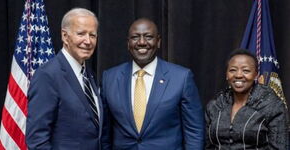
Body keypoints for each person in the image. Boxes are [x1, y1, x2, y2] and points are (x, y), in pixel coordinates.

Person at [101, 18, 205, 149]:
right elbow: (105, 133)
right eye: (135, 37)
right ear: (128, 43)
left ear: (158, 41)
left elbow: (194, 131)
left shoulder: (181, 78)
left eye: (148, 37)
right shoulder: (109, 78)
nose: (142, 42)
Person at [26, 8, 103, 150]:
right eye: (81, 34)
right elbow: (37, 140)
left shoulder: (89, 74)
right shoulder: (47, 75)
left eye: (92, 35)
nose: (88, 41)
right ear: (65, 36)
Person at [205, 49, 289, 149]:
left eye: (246, 70)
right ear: (227, 75)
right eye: (233, 70)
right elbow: (208, 145)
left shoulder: (272, 106)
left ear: (256, 75)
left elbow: (279, 147)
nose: (238, 75)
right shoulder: (216, 105)